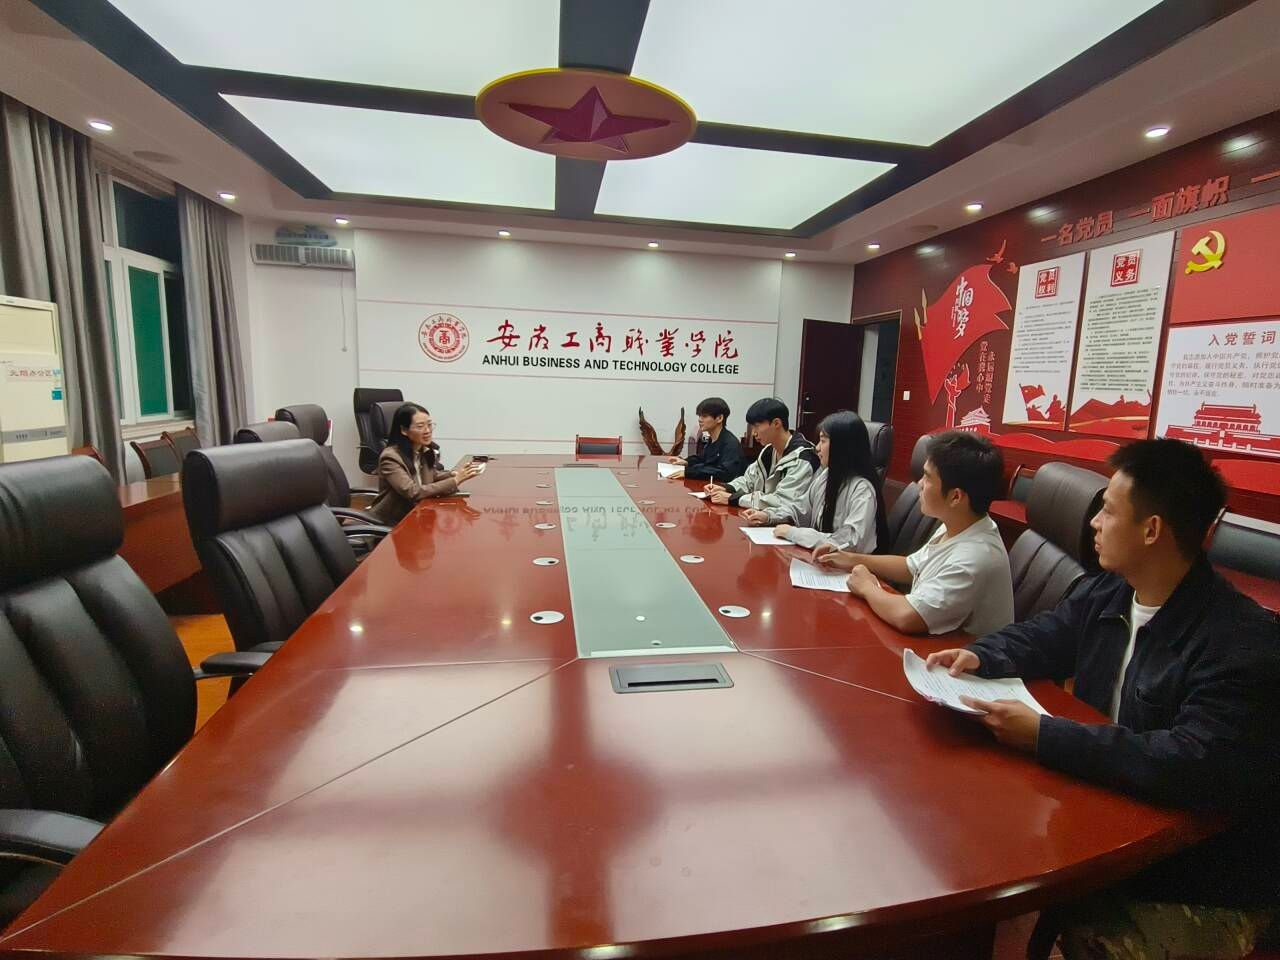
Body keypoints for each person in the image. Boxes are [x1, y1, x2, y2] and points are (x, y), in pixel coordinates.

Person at [923, 439, 1279, 960]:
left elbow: (1187, 761)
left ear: (1151, 530)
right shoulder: (1113, 590)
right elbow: (1047, 634)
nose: (1093, 523)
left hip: (1196, 875)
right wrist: (980, 656)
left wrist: (1046, 736)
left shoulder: (1240, 642)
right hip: (1107, 814)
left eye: (1108, 511)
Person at [814, 430, 1012, 636]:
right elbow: (911, 567)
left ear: (955, 497)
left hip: (957, 653)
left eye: (927, 477)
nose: (919, 484)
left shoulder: (973, 558)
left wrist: (867, 587)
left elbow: (908, 616)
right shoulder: (959, 523)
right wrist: (849, 558)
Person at [740, 409, 887, 553]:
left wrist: (794, 533)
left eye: (823, 441)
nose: (817, 448)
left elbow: (850, 542)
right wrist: (769, 516)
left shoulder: (862, 489)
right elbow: (801, 509)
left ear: (841, 446)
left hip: (849, 566)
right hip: (820, 559)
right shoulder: (826, 476)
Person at [365, 403, 482, 526]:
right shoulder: (390, 458)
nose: (427, 431)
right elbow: (412, 491)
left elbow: (431, 476)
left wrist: (454, 474)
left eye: (429, 425)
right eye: (420, 426)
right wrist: (455, 480)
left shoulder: (423, 450)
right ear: (404, 430)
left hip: (419, 513)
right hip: (395, 521)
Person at [706, 398, 817, 519]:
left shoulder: (802, 458)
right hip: (768, 519)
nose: (754, 433)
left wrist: (734, 499)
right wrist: (727, 488)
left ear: (776, 423)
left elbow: (782, 501)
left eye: (757, 426)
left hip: (791, 524)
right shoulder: (769, 450)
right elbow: (749, 480)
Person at [665, 397, 746, 482]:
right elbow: (702, 458)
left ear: (719, 418)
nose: (699, 420)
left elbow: (724, 473)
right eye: (699, 416)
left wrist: (688, 472)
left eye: (704, 416)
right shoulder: (712, 439)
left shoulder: (730, 443)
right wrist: (686, 462)